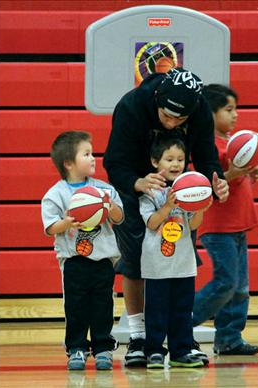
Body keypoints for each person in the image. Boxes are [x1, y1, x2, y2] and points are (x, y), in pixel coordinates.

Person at [103, 67, 229, 366]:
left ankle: (182, 339)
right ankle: (138, 336)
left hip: (181, 190)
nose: (172, 123)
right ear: (158, 99)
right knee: (135, 263)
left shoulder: (199, 110)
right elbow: (114, 161)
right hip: (136, 186)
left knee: (179, 264)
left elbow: (207, 154)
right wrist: (138, 182)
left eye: (179, 120)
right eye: (167, 116)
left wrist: (217, 181)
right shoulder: (131, 106)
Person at [41, 130, 124, 370]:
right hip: (74, 261)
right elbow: (49, 227)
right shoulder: (55, 194)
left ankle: (102, 348)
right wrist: (66, 223)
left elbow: (119, 218)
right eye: (86, 154)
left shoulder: (103, 190)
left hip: (103, 259)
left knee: (103, 306)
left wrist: (109, 206)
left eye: (92, 153)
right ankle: (76, 348)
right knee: (76, 307)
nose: (92, 158)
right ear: (68, 163)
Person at [192, 84, 258, 355]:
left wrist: (250, 170)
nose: (235, 115)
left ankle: (229, 338)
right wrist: (233, 173)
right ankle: (182, 323)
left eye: (236, 109)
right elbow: (212, 183)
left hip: (239, 224)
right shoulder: (207, 147)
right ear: (210, 114)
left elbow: (236, 173)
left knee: (240, 288)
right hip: (218, 227)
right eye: (228, 109)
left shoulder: (233, 143)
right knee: (226, 282)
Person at [139, 134, 212, 368]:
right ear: (154, 162)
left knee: (182, 310)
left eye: (180, 159)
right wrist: (169, 205)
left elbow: (192, 225)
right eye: (169, 159)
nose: (176, 164)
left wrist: (201, 207)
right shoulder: (149, 192)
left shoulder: (189, 190)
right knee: (156, 311)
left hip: (183, 263)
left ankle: (181, 350)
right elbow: (152, 223)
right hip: (156, 264)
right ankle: (154, 351)